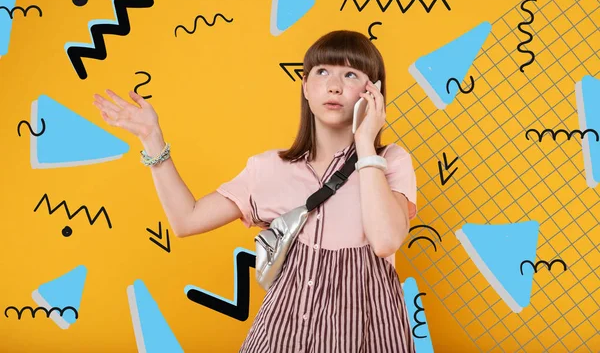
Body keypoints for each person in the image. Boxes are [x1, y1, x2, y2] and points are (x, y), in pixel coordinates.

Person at [92, 29, 417, 353]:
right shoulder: (268, 168)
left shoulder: (389, 162)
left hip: (363, 338)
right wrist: (152, 139)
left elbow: (386, 240)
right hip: (282, 335)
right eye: (322, 71)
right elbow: (186, 220)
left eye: (350, 73)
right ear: (305, 86)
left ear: (372, 92)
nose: (334, 85)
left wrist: (365, 144)